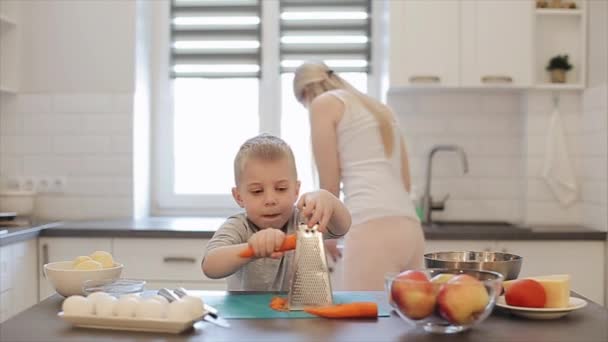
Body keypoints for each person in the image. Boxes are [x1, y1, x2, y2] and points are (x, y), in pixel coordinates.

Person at [293, 61, 425, 291]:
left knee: (361, 324)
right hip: (410, 228)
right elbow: (405, 182)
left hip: (370, 227)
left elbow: (329, 187)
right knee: (404, 320)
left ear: (305, 93)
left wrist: (329, 235)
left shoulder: (323, 104)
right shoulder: (380, 110)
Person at [201, 133, 351, 291]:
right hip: (247, 315)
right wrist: (253, 250)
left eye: (281, 189)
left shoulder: (303, 219)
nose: (270, 199)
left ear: (296, 190)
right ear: (239, 197)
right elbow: (210, 266)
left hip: (295, 313)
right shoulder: (239, 227)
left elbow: (342, 227)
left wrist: (328, 199)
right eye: (257, 191)